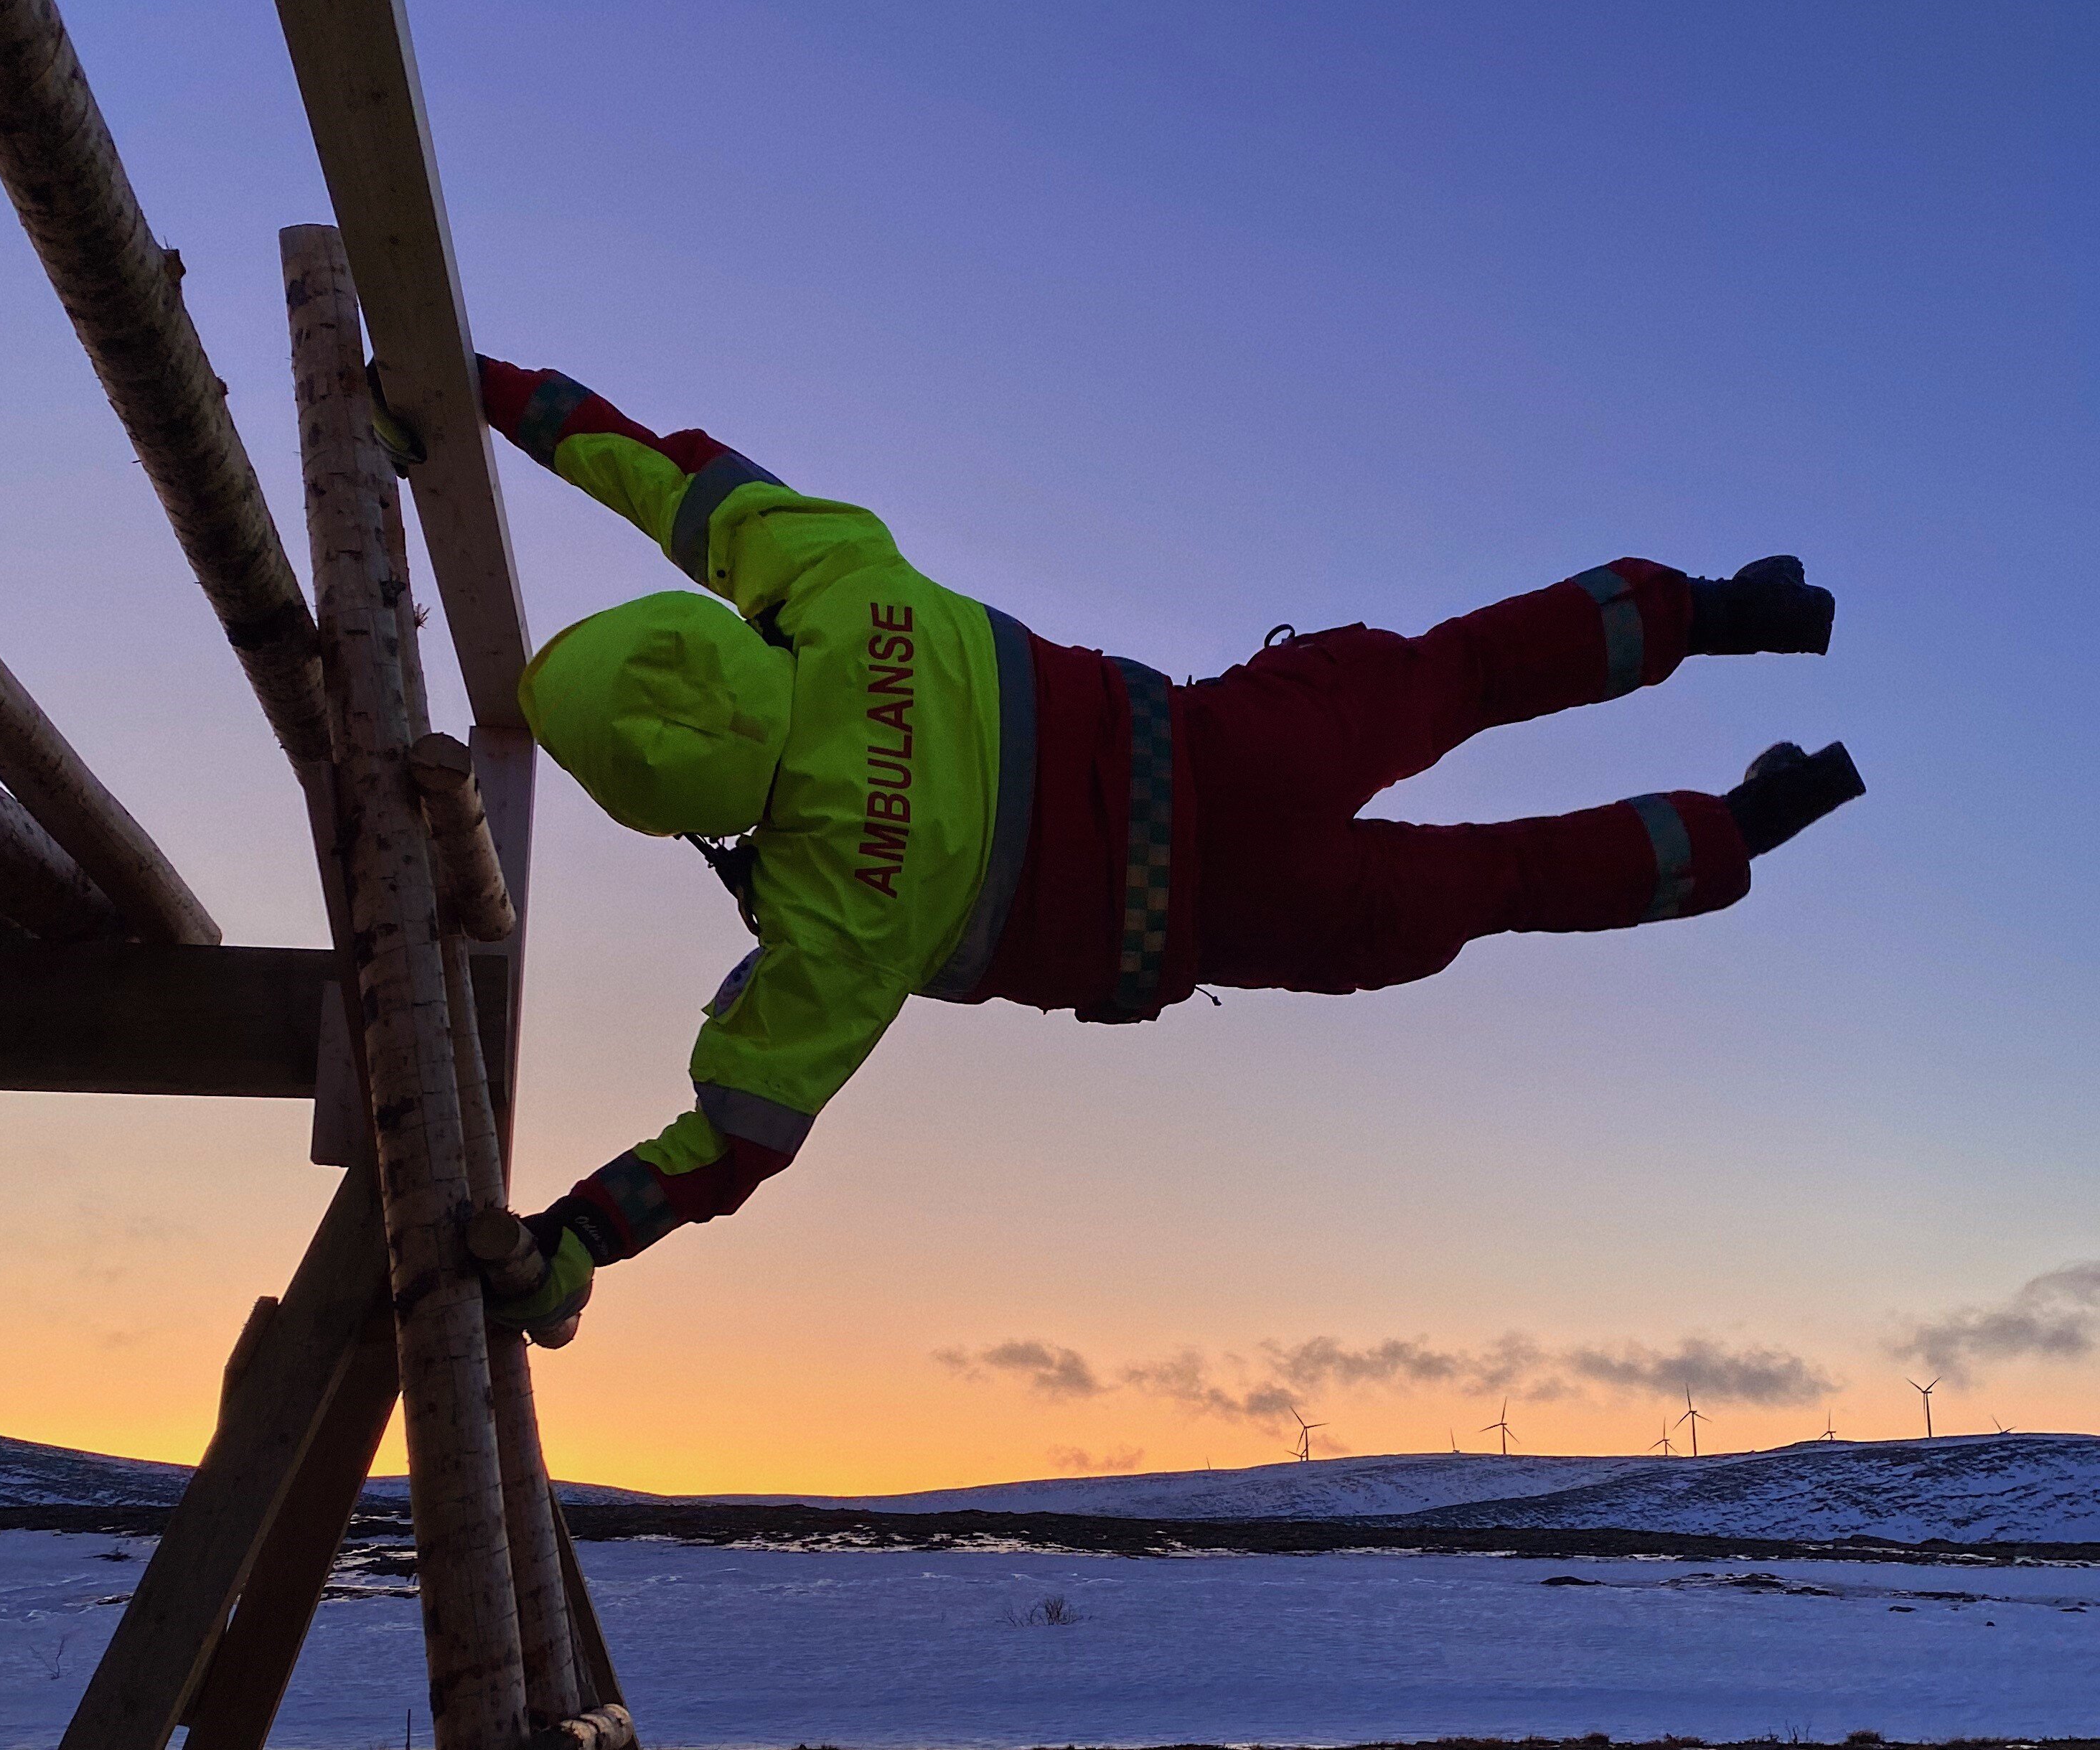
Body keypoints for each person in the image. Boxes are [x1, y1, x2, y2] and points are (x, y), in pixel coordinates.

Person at [469, 356, 1862, 1344]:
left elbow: (731, 1143)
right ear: (709, 629)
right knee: (1465, 672)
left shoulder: (829, 929)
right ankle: (1728, 612)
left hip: (1237, 918)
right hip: (1236, 749)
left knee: (1503, 882)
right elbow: (661, 470)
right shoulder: (836, 583)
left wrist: (571, 1241)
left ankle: (1748, 826)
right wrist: (481, 391)